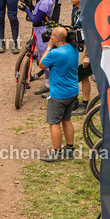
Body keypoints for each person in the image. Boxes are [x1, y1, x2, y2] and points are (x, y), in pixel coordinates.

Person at [37, 25, 79, 162]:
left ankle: (56, 152)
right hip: (72, 92)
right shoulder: (73, 49)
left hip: (59, 95)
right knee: (66, 119)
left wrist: (49, 47)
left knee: (54, 122)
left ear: (56, 39)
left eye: (52, 35)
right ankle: (70, 148)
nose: (50, 37)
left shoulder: (55, 53)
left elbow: (41, 64)